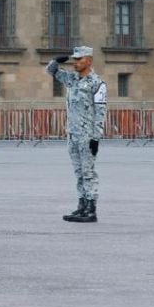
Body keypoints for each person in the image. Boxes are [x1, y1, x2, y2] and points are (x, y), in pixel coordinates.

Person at [46, 46, 106, 223]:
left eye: (79, 59)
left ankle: (91, 208)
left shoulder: (97, 83)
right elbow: (51, 71)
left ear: (89, 61)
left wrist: (96, 138)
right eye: (74, 59)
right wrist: (57, 60)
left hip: (87, 135)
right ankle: (81, 206)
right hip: (73, 134)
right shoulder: (71, 79)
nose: (75, 63)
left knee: (88, 173)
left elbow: (100, 113)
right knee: (79, 172)